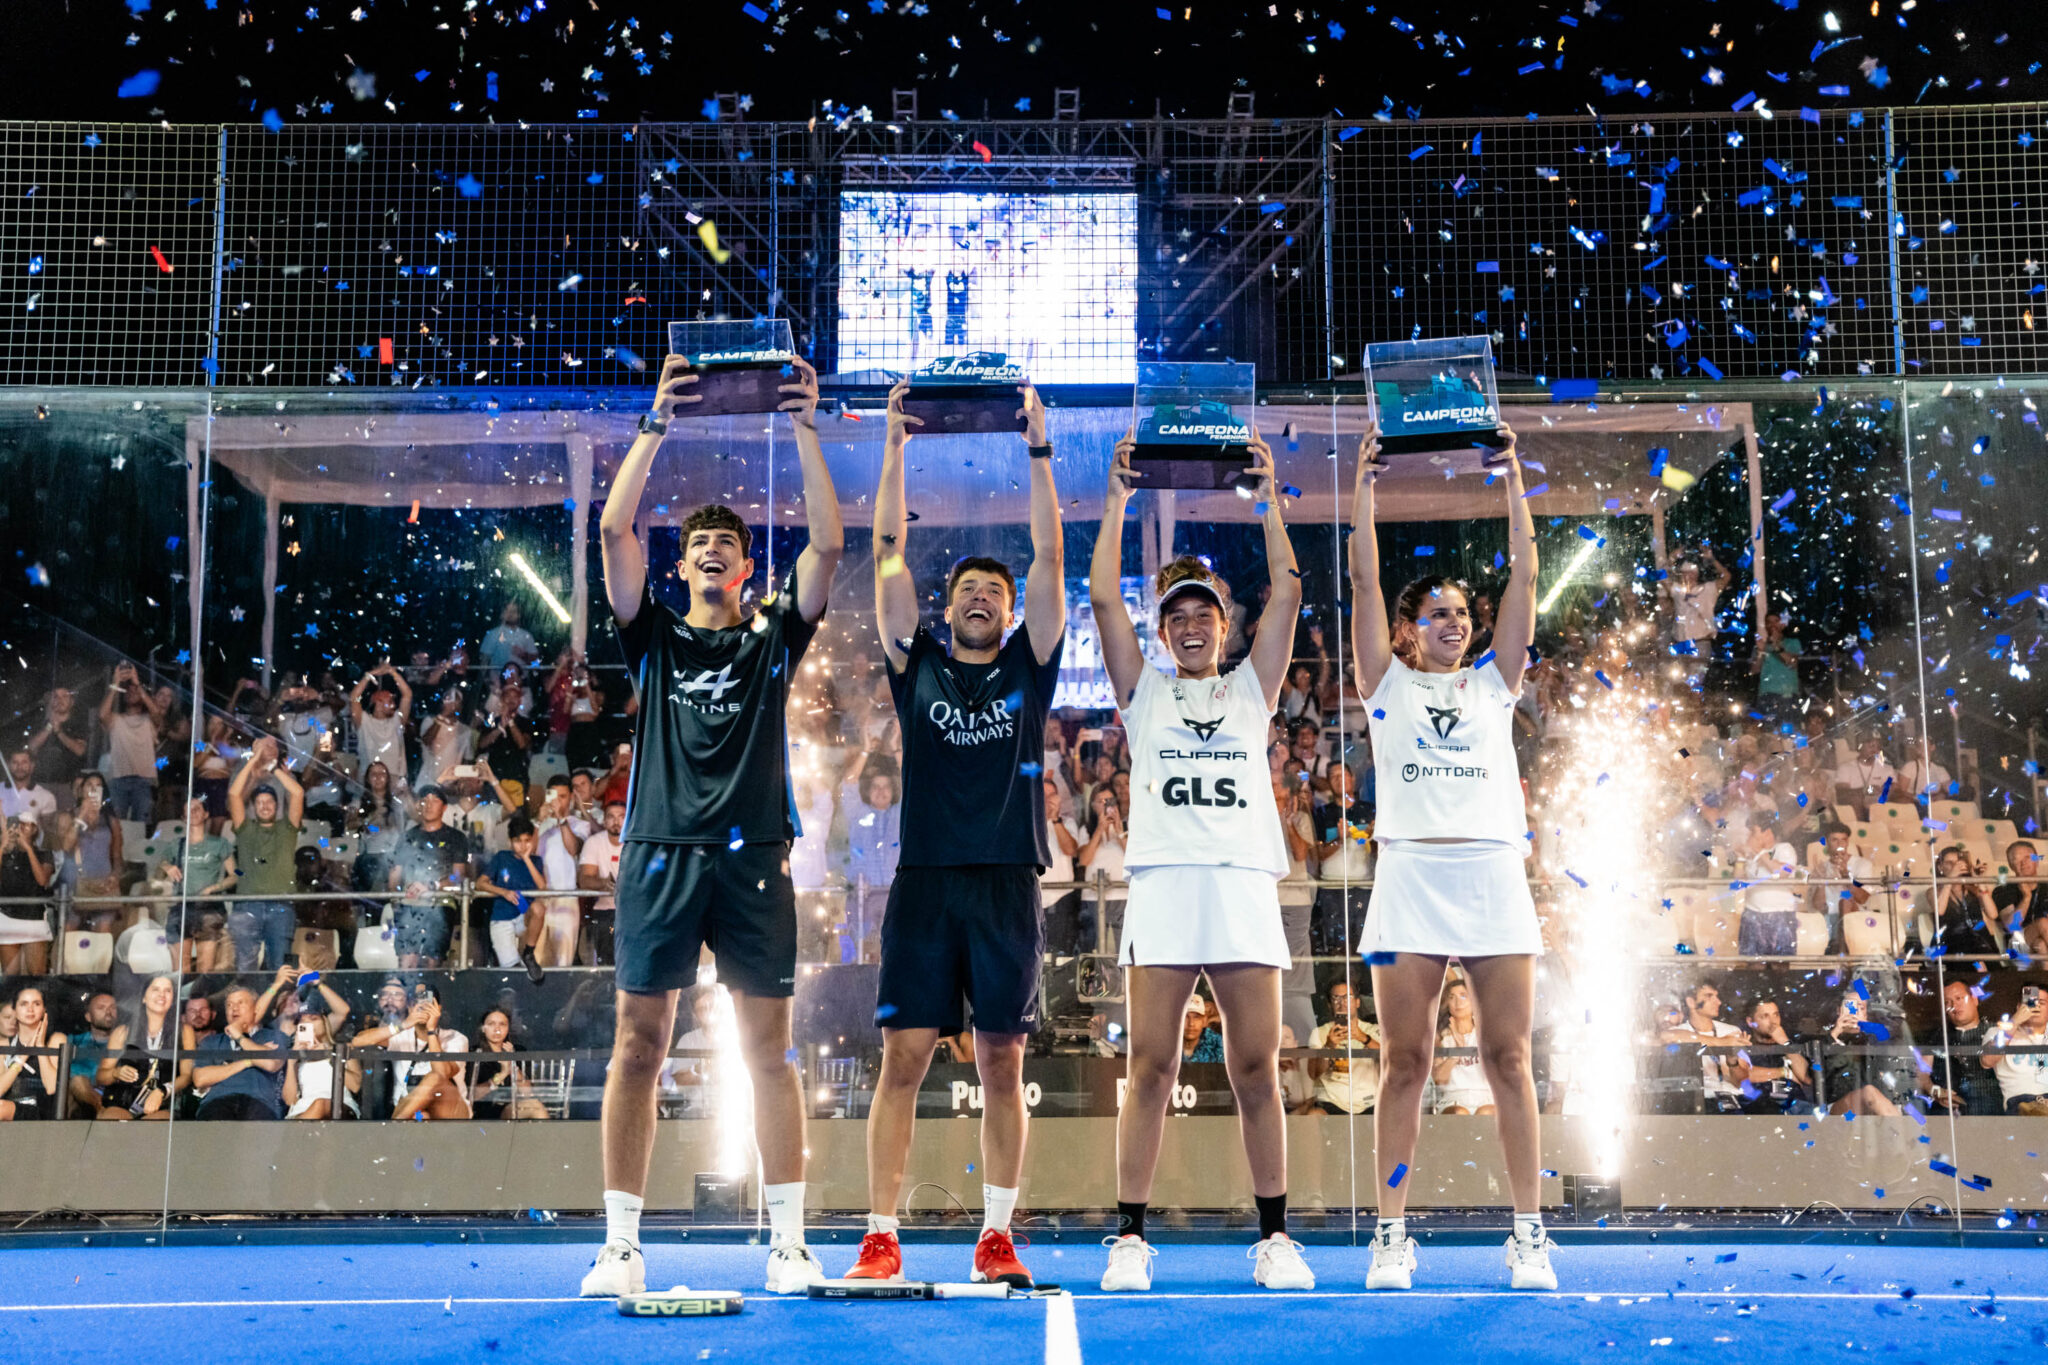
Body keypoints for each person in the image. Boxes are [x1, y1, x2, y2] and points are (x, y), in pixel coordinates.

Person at [581, 351, 843, 1299]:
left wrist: (806, 426)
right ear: (683, 563)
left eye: (729, 542)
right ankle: (620, 1245)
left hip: (754, 858)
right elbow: (612, 527)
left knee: (768, 1051)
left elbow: (828, 547)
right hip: (659, 854)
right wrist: (656, 421)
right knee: (638, 1045)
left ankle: (789, 1242)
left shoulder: (773, 635)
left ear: (744, 566)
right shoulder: (650, 633)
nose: (714, 551)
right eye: (700, 542)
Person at [1088, 421, 1314, 1294]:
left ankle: (1275, 1236)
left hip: (1242, 885)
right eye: (1175, 617)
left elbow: (1289, 589)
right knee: (1150, 1065)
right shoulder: (1142, 692)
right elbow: (1102, 597)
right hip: (1165, 887)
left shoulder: (1252, 686)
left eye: (1203, 615)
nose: (1189, 626)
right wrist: (1116, 498)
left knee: (1256, 1066)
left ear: (1224, 627)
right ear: (1162, 631)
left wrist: (1269, 497)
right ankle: (1129, 1237)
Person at [1347, 418, 1555, 1292]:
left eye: (1463, 614)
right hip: (1410, 875)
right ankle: (1391, 1234)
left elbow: (1526, 576)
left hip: (1493, 873)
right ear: (1407, 628)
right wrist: (1364, 482)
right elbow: (1362, 577)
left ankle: (1529, 1233)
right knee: (1405, 1062)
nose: (1456, 623)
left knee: (1509, 1059)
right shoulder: (1383, 682)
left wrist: (1511, 477)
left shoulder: (1495, 682)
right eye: (1438, 612)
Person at [226, 736, 304, 972]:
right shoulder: (245, 829)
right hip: (247, 904)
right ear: (253, 806)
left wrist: (273, 767)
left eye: (269, 801)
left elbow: (297, 794)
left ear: (276, 805)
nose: (265, 806)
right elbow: (234, 795)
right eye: (259, 802)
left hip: (281, 904)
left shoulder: (287, 829)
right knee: (244, 967)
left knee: (280, 967)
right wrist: (255, 759)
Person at [386, 786, 470, 969]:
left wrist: (432, 886)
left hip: (441, 903)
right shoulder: (407, 837)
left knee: (432, 960)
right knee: (407, 961)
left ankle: (429, 988)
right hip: (409, 904)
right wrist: (397, 900)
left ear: (444, 807)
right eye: (424, 801)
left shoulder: (456, 838)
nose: (429, 805)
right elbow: (394, 875)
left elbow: (458, 876)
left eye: (434, 801)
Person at [352, 993, 471, 1120]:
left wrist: (431, 1031)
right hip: (413, 1111)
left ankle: (394, 1126)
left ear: (438, 1009)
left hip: (448, 1111)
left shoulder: (455, 1038)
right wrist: (402, 1025)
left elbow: (442, 1073)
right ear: (409, 1008)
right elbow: (358, 1041)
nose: (423, 1009)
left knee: (434, 1077)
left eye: (428, 1004)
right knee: (421, 1116)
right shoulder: (401, 1036)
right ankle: (400, 1122)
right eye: (418, 1004)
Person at [94, 974, 193, 1121]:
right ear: (143, 998)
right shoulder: (123, 1032)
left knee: (154, 1126)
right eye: (155, 989)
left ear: (173, 999)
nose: (162, 994)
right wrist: (116, 1073)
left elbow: (187, 1076)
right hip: (124, 1101)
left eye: (167, 990)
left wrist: (163, 1090)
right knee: (112, 1122)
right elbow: (101, 1076)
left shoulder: (184, 1032)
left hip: (162, 1103)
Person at [191, 986, 289, 1120]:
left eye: (240, 1003)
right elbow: (200, 1079)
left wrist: (238, 1036)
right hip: (218, 1102)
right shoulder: (211, 1041)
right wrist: (249, 1061)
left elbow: (271, 1064)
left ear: (255, 1008)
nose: (234, 1008)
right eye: (229, 1005)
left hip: (260, 1103)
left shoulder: (273, 1036)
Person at [1656, 981, 1750, 1114]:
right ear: (1691, 1002)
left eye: (1717, 996)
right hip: (1698, 1100)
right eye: (1709, 996)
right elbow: (1668, 1036)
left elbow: (1741, 1081)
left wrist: (1733, 1063)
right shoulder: (1681, 1031)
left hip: (1732, 1099)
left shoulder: (1731, 1031)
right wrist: (1721, 1042)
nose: (1718, 1002)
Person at [477, 815, 549, 982]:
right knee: (512, 969)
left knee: (539, 907)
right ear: (510, 841)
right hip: (502, 916)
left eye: (527, 841)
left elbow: (542, 886)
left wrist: (527, 859)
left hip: (524, 915)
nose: (523, 846)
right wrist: (503, 892)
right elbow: (480, 883)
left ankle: (529, 953)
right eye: (518, 841)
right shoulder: (501, 857)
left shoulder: (536, 861)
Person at [1918, 979, 2003, 1117]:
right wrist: (1934, 1090)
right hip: (1947, 1109)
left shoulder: (1995, 1031)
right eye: (1948, 1002)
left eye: (1959, 998)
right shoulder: (1938, 1035)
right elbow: (1921, 1073)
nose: (1954, 1006)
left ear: (1974, 1000)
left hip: (1987, 1108)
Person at [98, 661, 165, 821]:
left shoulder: (149, 720)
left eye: (135, 691)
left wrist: (137, 683)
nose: (132, 692)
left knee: (141, 826)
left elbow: (157, 713)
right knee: (115, 825)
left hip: (144, 781)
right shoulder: (115, 719)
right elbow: (102, 715)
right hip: (118, 779)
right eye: (128, 690)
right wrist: (115, 683)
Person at [1307, 981, 1378, 1116]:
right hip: (1331, 1101)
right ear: (1330, 1005)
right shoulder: (1320, 1032)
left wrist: (1364, 1038)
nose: (1342, 1003)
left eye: (1347, 997)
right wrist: (1329, 1046)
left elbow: (1391, 1060)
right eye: (1336, 998)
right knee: (1313, 1116)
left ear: (1357, 1002)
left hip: (1369, 1102)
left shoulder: (1371, 1030)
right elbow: (1313, 1073)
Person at [1728, 1000, 1812, 1114]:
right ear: (1750, 1022)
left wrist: (1785, 1042)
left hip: (1794, 1106)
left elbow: (1806, 1077)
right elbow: (1742, 1077)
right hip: (1759, 1106)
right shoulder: (1745, 1045)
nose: (1773, 1022)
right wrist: (1785, 1072)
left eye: (1776, 1015)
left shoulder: (1789, 1046)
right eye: (1765, 1016)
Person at [471, 1007, 549, 1120]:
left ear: (508, 1028)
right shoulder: (474, 1054)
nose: (497, 1029)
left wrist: (512, 1065)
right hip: (484, 1113)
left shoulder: (518, 1052)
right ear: (483, 1028)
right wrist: (501, 1075)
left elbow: (528, 1093)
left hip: (513, 1108)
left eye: (502, 1024)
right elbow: (471, 1094)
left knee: (536, 1107)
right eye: (491, 1024)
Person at [281, 1009, 361, 1119]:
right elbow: (289, 1100)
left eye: (313, 1019)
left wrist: (329, 1056)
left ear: (324, 1023)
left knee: (320, 1103)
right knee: (318, 1105)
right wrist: (291, 1062)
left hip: (340, 1106)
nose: (308, 1023)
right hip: (305, 1109)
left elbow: (355, 1086)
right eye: (302, 1021)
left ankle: (298, 1129)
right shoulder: (298, 1059)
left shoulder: (342, 1050)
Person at [1431, 979, 1496, 1115]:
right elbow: (1439, 1079)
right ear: (1447, 1004)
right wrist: (1456, 1052)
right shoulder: (1440, 1038)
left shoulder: (1488, 1035)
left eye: (1463, 996)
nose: (1458, 1002)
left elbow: (1497, 1075)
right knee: (1458, 1112)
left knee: (1485, 1112)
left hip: (1486, 1098)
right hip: (1453, 1099)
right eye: (1451, 997)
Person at [1980, 989, 2048, 1116]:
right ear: (2019, 1007)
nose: (2036, 1006)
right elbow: (1987, 1061)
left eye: (2042, 1002)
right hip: (2021, 1103)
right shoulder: (1997, 1032)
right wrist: (2014, 1022)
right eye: (2030, 1002)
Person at [576, 798, 627, 966]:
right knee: (607, 961)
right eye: (611, 816)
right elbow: (584, 880)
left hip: (633, 909)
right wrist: (604, 884)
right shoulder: (594, 842)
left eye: (621, 817)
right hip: (605, 910)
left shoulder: (637, 843)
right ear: (604, 821)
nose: (616, 822)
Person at [0, 814, 52, 976]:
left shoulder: (44, 853)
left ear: (34, 829)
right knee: (10, 976)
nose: (21, 828)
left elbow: (42, 880)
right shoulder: (5, 854)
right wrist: (2, 848)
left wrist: (28, 848)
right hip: (7, 918)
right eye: (18, 825)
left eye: (26, 825)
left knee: (37, 974)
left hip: (33, 919)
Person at [348, 665, 413, 787]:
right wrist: (370, 674)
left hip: (395, 782)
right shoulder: (364, 721)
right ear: (377, 703)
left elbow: (407, 695)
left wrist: (393, 672)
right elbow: (354, 698)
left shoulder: (397, 721)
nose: (394, 705)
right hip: (369, 782)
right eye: (390, 701)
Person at [1, 986, 59, 1121]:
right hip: (9, 1108)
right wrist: (22, 1057)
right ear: (15, 1010)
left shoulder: (55, 1040)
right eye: (24, 1004)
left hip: (43, 1112)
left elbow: (51, 1088)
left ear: (44, 1009)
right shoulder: (4, 1044)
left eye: (36, 1004)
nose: (30, 1009)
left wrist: (40, 1047)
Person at [1751, 611, 1804, 725]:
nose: (1772, 625)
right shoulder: (1761, 645)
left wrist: (1776, 645)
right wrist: (1760, 651)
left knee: (1790, 732)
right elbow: (1754, 670)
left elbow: (1792, 663)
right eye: (1769, 622)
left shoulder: (1792, 642)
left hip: (1788, 696)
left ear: (1783, 624)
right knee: (1768, 732)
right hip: (1766, 695)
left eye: (1776, 621)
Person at [482, 601, 540, 671]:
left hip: (521, 677)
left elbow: (535, 664)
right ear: (502, 614)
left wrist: (523, 655)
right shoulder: (492, 635)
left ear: (519, 615)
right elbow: (484, 661)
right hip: (497, 677)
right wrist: (486, 676)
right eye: (507, 611)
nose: (510, 614)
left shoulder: (526, 636)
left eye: (514, 611)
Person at [2, 749, 56, 823]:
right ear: (8, 765)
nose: (19, 767)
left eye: (24, 762)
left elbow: (48, 828)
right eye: (15, 762)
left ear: (32, 766)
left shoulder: (46, 796)